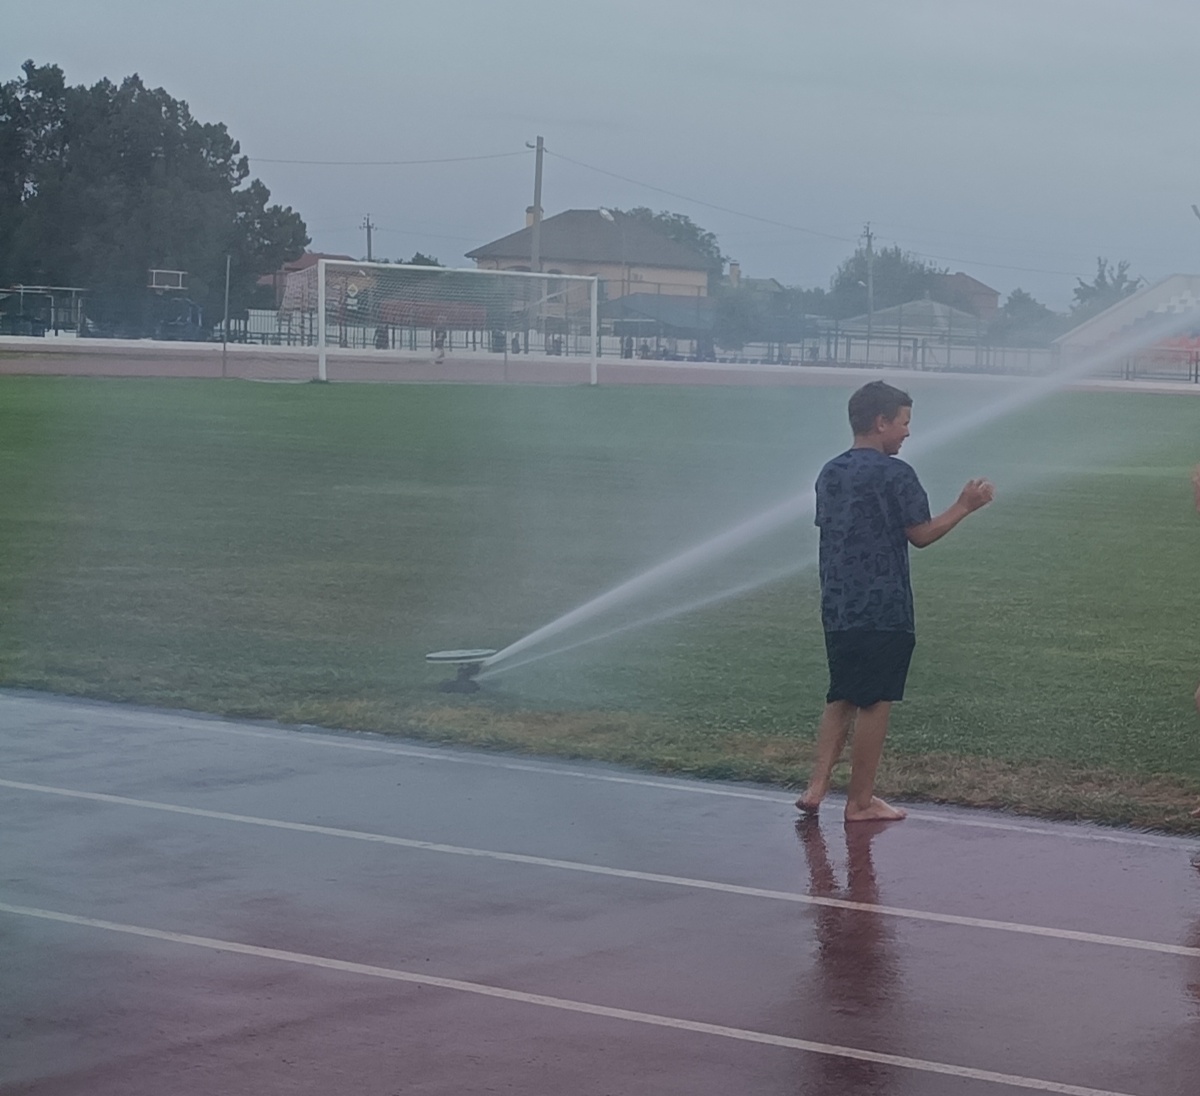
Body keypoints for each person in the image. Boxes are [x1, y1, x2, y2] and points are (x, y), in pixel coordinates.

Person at [796, 380, 995, 823]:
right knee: (875, 700)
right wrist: (965, 505)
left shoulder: (830, 472)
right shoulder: (896, 474)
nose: (907, 432)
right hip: (883, 605)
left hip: (838, 603)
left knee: (841, 694)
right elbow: (920, 534)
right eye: (904, 422)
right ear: (881, 422)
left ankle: (816, 787)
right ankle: (860, 802)